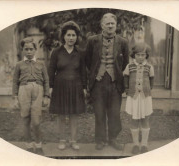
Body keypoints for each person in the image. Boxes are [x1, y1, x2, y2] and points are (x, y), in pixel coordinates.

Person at [85, 13, 129, 150]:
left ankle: (113, 139)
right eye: (107, 23)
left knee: (114, 112)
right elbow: (88, 61)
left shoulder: (123, 42)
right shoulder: (93, 41)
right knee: (99, 112)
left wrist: (115, 73)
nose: (110, 26)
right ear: (102, 25)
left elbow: (125, 62)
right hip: (98, 82)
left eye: (112, 23)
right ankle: (100, 140)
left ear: (116, 26)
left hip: (115, 82)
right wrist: (96, 73)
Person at [48, 21, 87, 150]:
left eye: (73, 35)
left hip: (76, 86)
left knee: (74, 115)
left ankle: (73, 140)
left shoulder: (80, 53)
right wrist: (51, 86)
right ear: (63, 36)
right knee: (61, 114)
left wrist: (84, 87)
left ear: (77, 37)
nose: (71, 38)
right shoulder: (56, 52)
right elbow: (51, 70)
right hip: (60, 87)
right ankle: (62, 140)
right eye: (68, 35)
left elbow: (83, 72)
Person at [12, 37, 50, 155]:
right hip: (23, 90)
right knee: (25, 118)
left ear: (35, 50)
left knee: (36, 121)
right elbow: (14, 81)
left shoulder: (41, 63)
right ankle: (29, 145)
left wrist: (46, 96)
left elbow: (46, 80)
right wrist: (15, 97)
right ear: (23, 50)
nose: (28, 51)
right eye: (26, 49)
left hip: (38, 90)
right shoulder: (19, 64)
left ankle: (38, 144)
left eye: (31, 49)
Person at [123, 42, 154, 154]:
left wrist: (148, 90)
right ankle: (136, 144)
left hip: (145, 97)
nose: (140, 57)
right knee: (134, 120)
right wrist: (127, 90)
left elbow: (151, 80)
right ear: (134, 55)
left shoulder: (149, 67)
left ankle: (144, 144)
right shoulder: (129, 66)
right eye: (138, 55)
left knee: (145, 120)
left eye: (143, 55)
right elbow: (126, 78)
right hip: (133, 97)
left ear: (146, 55)